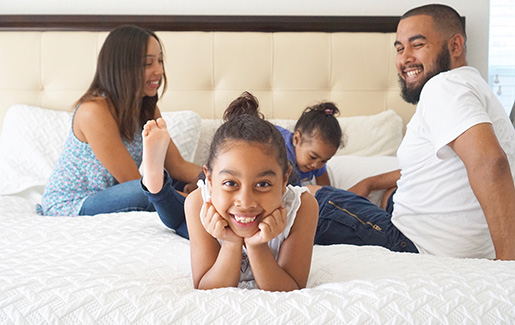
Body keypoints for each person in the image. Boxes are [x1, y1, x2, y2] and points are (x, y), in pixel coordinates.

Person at [312, 4, 515, 260]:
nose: (404, 58)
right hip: (457, 243)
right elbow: (437, 167)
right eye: (399, 48)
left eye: (417, 45)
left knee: (308, 197)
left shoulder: (444, 87)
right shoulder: (474, 86)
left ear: (455, 46)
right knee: (391, 196)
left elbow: (490, 162)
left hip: (416, 245)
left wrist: (507, 266)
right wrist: (371, 182)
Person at [141, 92, 319, 291]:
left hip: (233, 215)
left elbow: (290, 289)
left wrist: (256, 244)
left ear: (285, 178)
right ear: (208, 178)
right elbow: (206, 286)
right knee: (176, 220)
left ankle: (156, 185)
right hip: (216, 214)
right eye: (231, 183)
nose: (245, 201)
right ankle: (155, 183)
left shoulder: (303, 207)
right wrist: (231, 243)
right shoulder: (199, 203)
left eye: (262, 184)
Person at [39, 25, 202, 217]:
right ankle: (199, 205)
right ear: (122, 68)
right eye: (148, 64)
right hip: (73, 203)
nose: (159, 70)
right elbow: (133, 182)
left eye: (160, 61)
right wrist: (196, 198)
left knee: (187, 181)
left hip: (115, 194)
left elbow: (177, 166)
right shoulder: (92, 111)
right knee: (144, 188)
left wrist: (220, 180)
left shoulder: (146, 107)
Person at [275, 102, 343, 186]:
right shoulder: (280, 156)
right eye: (312, 157)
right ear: (296, 140)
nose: (316, 165)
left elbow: (325, 189)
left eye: (324, 161)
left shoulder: (317, 160)